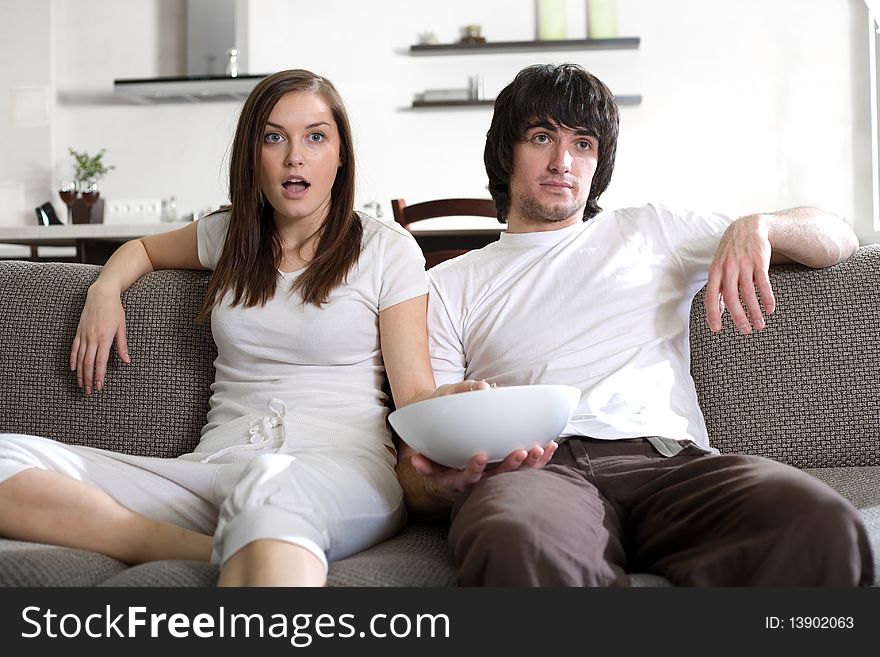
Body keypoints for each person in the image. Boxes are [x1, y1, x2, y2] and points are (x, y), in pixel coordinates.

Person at [396, 63, 874, 586]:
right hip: (536, 474)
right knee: (519, 544)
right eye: (541, 137)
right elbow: (417, 469)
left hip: (670, 463)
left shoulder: (653, 230)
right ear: (506, 152)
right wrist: (446, 481)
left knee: (819, 524)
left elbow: (838, 238)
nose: (563, 162)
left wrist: (759, 225)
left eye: (583, 144)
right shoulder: (445, 283)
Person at [0, 69, 468, 587]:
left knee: (270, 503)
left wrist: (460, 410)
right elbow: (143, 249)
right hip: (219, 466)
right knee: (6, 458)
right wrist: (104, 290)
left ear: (340, 156)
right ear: (253, 155)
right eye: (274, 137)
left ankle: (239, 536)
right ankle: (190, 545)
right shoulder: (227, 236)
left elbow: (416, 395)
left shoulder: (386, 249)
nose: (295, 155)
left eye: (316, 136)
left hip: (340, 469)